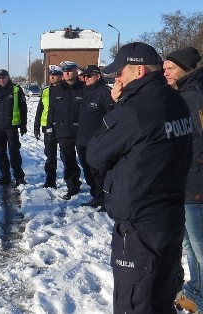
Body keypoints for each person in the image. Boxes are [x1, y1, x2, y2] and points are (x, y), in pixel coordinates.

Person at [87, 42, 192, 313]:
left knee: (134, 304)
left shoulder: (135, 110)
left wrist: (115, 106)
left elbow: (96, 153)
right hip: (169, 218)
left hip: (140, 227)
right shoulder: (176, 101)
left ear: (139, 71)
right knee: (161, 299)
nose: (116, 78)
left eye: (120, 72)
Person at [163, 47, 203, 313]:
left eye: (170, 69)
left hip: (195, 183)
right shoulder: (182, 95)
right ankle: (195, 292)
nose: (165, 73)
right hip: (183, 181)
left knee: (200, 249)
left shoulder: (194, 97)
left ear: (185, 70)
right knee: (189, 245)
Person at [76, 65, 114, 210]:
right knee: (88, 170)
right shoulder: (85, 91)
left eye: (88, 76)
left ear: (97, 76)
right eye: (84, 76)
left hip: (98, 141)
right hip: (82, 138)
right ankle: (96, 197)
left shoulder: (105, 92)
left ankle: (106, 200)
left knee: (100, 172)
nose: (85, 79)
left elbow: (112, 115)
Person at [48, 60, 85, 200]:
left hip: (81, 132)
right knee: (68, 161)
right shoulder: (56, 89)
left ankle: (97, 189)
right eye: (65, 71)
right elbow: (52, 110)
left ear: (76, 71)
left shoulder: (83, 88)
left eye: (70, 70)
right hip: (63, 132)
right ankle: (72, 186)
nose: (67, 73)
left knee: (87, 161)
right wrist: (50, 128)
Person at [0, 69, 27, 186]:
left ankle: (19, 177)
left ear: (8, 77)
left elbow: (23, 108)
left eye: (4, 77)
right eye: (0, 78)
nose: (2, 80)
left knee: (14, 152)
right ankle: (5, 176)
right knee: (1, 152)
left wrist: (23, 125)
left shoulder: (16, 90)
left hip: (11, 127)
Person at [34, 65, 63, 188]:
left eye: (55, 74)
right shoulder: (45, 91)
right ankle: (50, 180)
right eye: (51, 74)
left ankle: (72, 182)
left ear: (61, 76)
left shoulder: (66, 90)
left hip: (62, 127)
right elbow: (39, 110)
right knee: (50, 156)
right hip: (47, 127)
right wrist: (36, 127)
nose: (52, 77)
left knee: (66, 157)